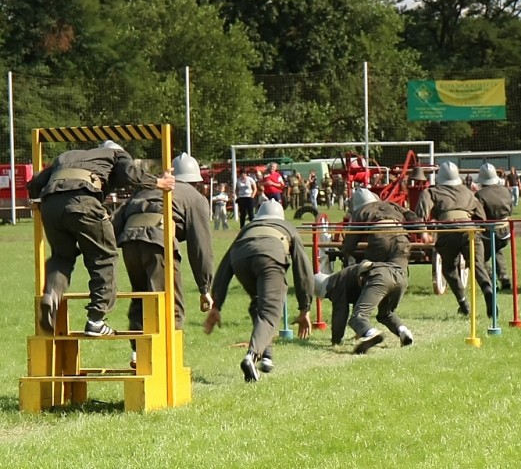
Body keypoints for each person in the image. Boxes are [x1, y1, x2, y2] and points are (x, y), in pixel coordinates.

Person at [26, 140, 175, 336]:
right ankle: (96, 320)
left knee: (61, 256)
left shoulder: (67, 156)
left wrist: (37, 201)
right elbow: (130, 173)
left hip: (50, 205)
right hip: (83, 201)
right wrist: (158, 182)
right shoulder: (114, 155)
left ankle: (51, 294)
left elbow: (35, 183)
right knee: (104, 256)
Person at [112, 153, 214, 367]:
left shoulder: (147, 188)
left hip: (129, 241)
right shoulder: (194, 197)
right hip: (158, 240)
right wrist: (205, 287)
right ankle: (165, 359)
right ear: (195, 181)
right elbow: (200, 245)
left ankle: (138, 352)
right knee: (169, 301)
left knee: (142, 297)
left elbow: (116, 222)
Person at [203, 200, 314, 382]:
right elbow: (303, 270)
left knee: (258, 305)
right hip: (270, 258)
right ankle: (252, 357)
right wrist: (305, 309)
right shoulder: (287, 227)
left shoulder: (247, 228)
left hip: (240, 260)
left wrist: (216, 305)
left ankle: (266, 355)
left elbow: (224, 268)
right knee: (270, 312)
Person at [415, 162, 495, 318]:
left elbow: (420, 215)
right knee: (478, 266)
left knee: (449, 269)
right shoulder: (468, 192)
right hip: (470, 230)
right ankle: (488, 291)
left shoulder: (431, 192)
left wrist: (423, 233)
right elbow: (481, 217)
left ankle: (463, 302)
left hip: (448, 231)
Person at [314, 260, 413, 354]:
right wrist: (359, 331)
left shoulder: (335, 284)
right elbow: (358, 302)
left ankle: (372, 333)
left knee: (357, 317)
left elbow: (340, 313)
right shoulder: (345, 276)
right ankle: (404, 332)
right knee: (386, 314)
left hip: (379, 275)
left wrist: (336, 340)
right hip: (400, 277)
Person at [341, 187, 423, 270]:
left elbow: (351, 240)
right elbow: (411, 216)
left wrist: (346, 252)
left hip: (380, 239)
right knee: (399, 273)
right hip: (402, 239)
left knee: (372, 273)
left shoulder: (361, 212)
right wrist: (423, 232)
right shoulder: (391, 205)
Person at [474, 163, 514, 290]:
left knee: (480, 257)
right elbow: (511, 210)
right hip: (506, 232)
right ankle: (504, 277)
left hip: (489, 233)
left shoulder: (480, 195)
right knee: (497, 250)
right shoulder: (506, 191)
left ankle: (491, 280)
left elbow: (479, 216)